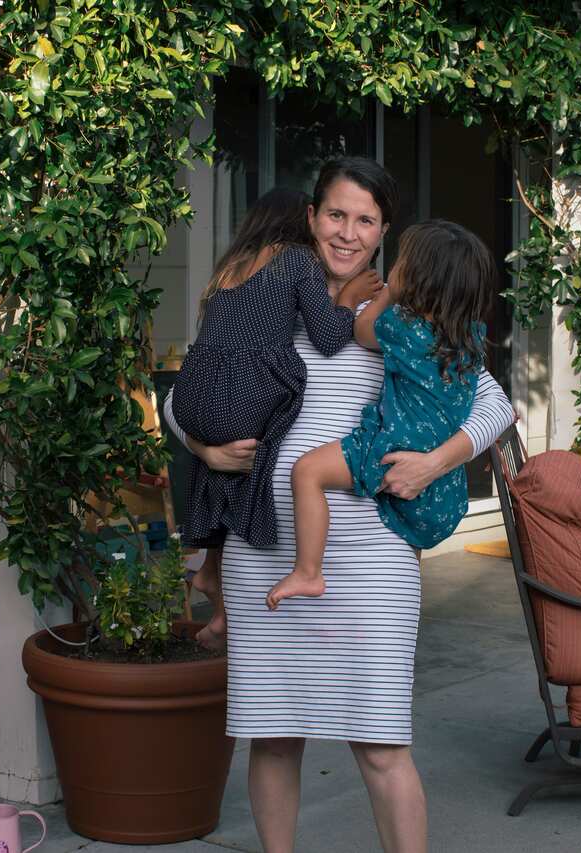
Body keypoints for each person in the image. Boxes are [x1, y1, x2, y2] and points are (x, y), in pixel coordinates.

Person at [165, 157, 513, 853]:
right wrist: (202, 451)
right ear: (312, 215)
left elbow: (493, 404)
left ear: (384, 230)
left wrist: (433, 462)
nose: (347, 232)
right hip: (265, 555)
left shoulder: (401, 314)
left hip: (372, 556)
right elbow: (181, 398)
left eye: (365, 219)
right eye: (335, 214)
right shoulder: (266, 292)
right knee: (274, 736)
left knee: (380, 742)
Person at [170, 188, 381, 645]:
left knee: (230, 462)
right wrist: (349, 296)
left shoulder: (229, 268)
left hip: (195, 392)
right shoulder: (297, 259)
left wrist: (202, 447)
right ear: (304, 223)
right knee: (262, 445)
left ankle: (210, 572)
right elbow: (326, 337)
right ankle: (214, 577)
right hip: (241, 394)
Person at [267, 220, 493, 609]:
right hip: (446, 496)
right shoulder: (470, 337)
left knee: (307, 472)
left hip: (393, 449)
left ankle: (308, 571)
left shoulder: (404, 328)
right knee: (406, 562)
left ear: (416, 279)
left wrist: (386, 295)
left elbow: (361, 329)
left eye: (402, 261)